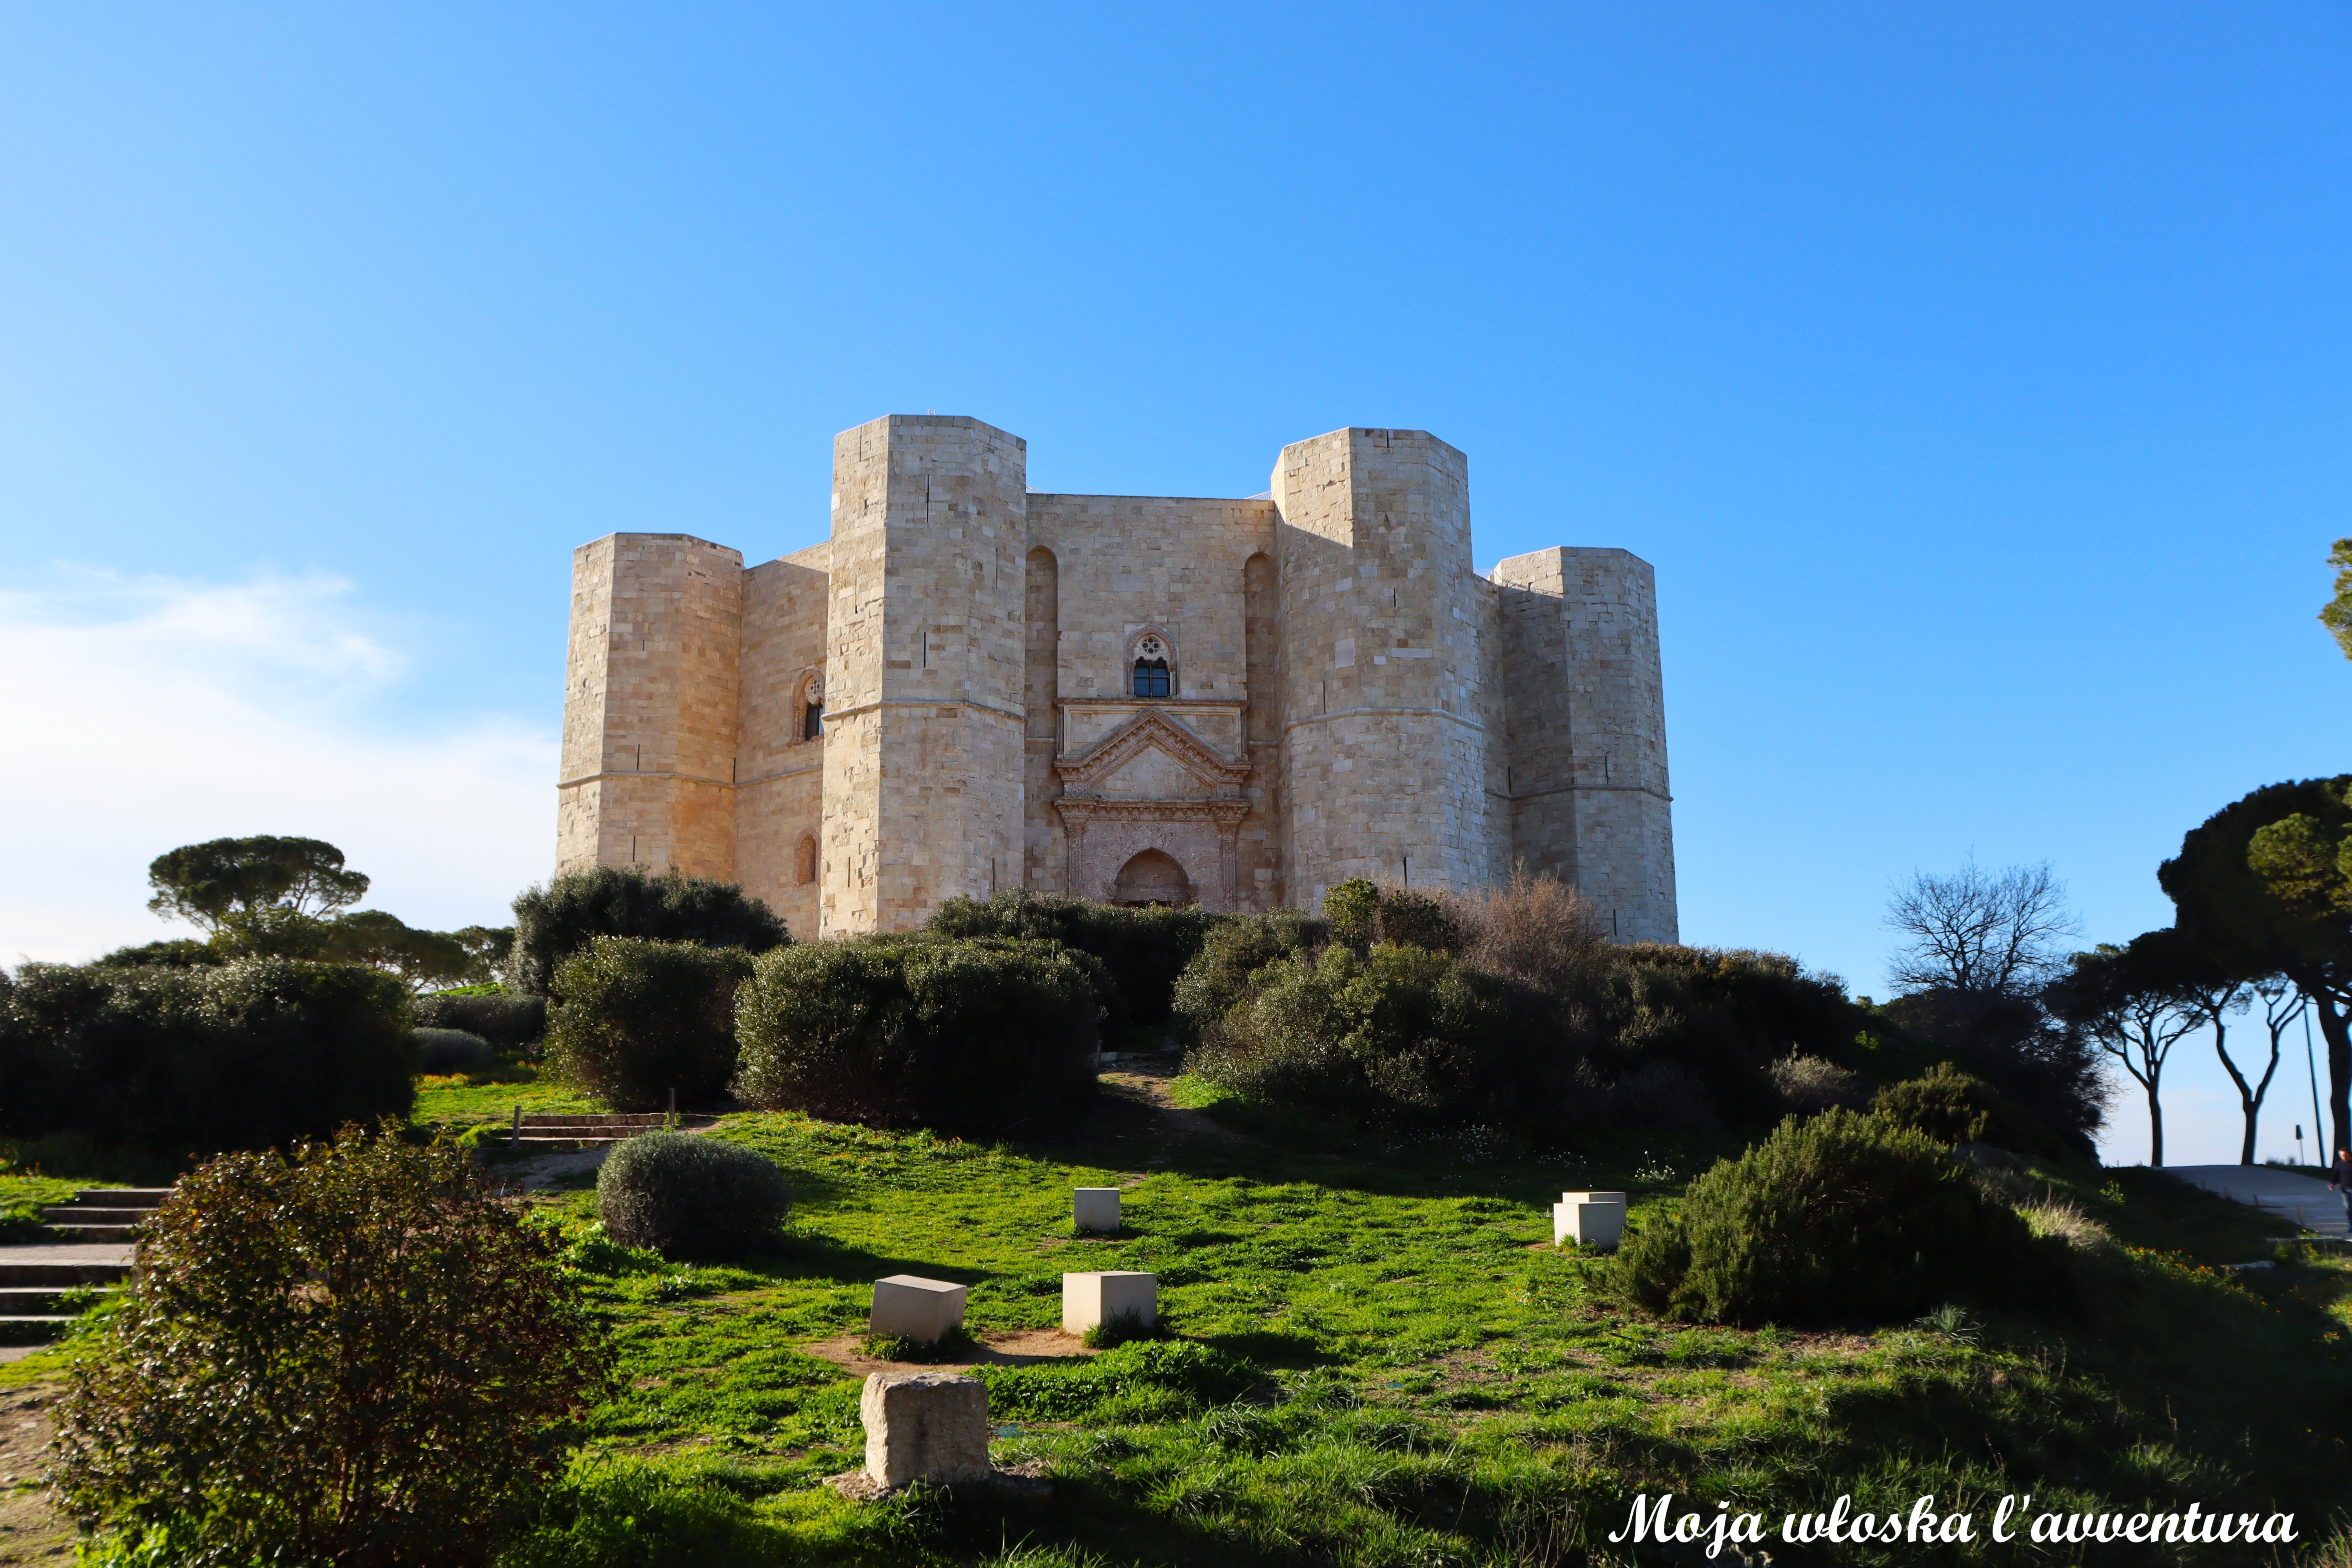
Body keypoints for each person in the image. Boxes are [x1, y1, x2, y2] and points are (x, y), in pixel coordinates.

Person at [2332, 1146, 2352, 1234]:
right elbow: (2336, 1175)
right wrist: (2333, 1184)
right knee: (2348, 1208)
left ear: (2349, 1155)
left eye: (2345, 1156)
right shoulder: (2339, 1164)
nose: (2343, 1158)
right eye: (2342, 1156)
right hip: (2345, 1189)